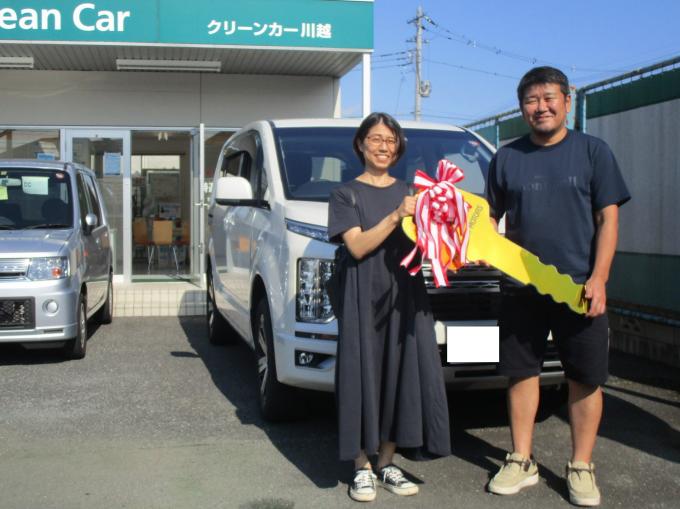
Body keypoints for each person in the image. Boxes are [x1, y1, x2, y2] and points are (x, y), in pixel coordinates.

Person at [485, 67, 630, 507]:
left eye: (549, 97)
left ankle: (581, 465)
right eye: (531, 100)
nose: (541, 106)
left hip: (579, 289)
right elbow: (489, 218)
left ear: (567, 101)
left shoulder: (593, 152)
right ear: (521, 108)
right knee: (521, 372)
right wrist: (479, 244)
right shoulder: (506, 158)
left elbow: (609, 219)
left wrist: (599, 278)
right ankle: (521, 458)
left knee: (584, 376)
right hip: (520, 287)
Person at [328, 112, 451, 502]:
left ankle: (387, 461)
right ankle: (361, 466)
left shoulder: (414, 191)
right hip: (363, 295)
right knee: (361, 374)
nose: (384, 146)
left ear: (398, 148)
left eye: (391, 140)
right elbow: (358, 246)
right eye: (376, 139)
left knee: (403, 375)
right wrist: (398, 214)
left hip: (406, 295)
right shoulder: (345, 194)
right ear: (361, 144)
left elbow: (435, 245)